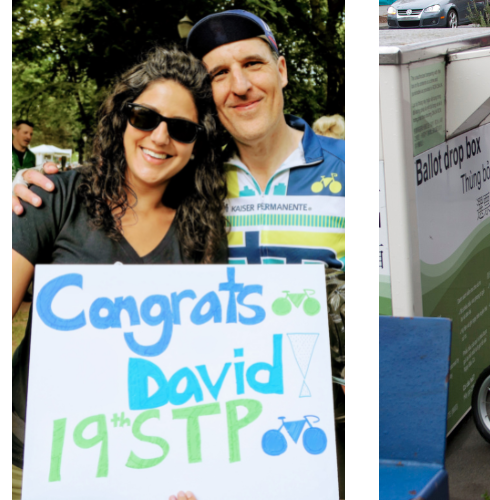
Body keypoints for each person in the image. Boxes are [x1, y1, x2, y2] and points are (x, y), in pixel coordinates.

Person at [12, 9, 348, 496]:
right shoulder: (182, 195)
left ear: (281, 69)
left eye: (253, 63)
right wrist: (23, 192)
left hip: (292, 439)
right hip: (45, 458)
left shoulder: (345, 175)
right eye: (218, 73)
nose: (240, 85)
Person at [11, 46, 228, 497]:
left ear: (196, 145)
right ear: (122, 118)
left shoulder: (203, 233)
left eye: (182, 129)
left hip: (139, 469)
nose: (160, 138)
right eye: (145, 117)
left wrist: (191, 471)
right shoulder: (51, 196)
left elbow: (201, 368)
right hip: (24, 459)